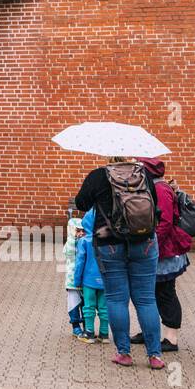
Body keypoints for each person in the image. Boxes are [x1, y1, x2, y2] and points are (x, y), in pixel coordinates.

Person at [74, 156, 164, 369]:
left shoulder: (98, 176)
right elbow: (155, 205)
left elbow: (81, 203)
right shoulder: (144, 174)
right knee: (146, 300)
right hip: (145, 242)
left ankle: (124, 353)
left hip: (109, 243)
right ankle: (155, 356)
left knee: (116, 300)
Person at [130, 157, 190, 354]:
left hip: (164, 251)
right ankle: (149, 331)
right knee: (149, 292)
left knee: (165, 292)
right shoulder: (151, 187)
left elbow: (164, 222)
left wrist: (151, 244)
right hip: (158, 249)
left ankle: (171, 338)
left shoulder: (161, 189)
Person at [77, 208, 108, 344]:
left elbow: (80, 263)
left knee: (88, 306)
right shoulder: (108, 241)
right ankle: (104, 333)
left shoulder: (84, 241)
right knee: (104, 307)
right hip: (105, 280)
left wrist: (77, 280)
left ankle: (89, 332)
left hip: (88, 280)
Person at [64, 217, 86, 338]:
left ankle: (87, 327)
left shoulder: (86, 243)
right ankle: (75, 326)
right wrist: (73, 239)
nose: (81, 233)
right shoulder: (70, 245)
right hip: (72, 282)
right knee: (73, 304)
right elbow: (70, 252)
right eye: (78, 231)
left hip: (85, 281)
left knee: (85, 304)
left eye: (83, 231)